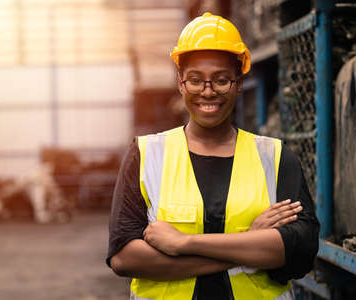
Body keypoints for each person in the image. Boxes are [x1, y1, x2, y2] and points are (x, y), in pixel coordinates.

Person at [107, 12, 319, 300]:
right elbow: (124, 258)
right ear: (181, 83)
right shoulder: (146, 155)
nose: (208, 92)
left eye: (221, 80)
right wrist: (248, 246)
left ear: (239, 82)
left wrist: (184, 243)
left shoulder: (274, 157)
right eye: (195, 80)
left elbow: (300, 249)